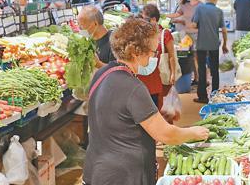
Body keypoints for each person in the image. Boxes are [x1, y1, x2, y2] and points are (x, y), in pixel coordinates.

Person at [82, 18, 209, 185]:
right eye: (152, 52)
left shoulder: (102, 73)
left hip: (95, 171)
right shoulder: (133, 88)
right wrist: (193, 133)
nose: (153, 58)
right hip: (123, 176)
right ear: (136, 52)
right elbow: (165, 134)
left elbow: (116, 121)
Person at [138, 4, 177, 120]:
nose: (143, 22)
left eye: (145, 19)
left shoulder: (165, 34)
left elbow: (171, 56)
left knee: (163, 110)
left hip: (161, 76)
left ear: (154, 19)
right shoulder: (143, 34)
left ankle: (166, 135)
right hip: (145, 79)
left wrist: (173, 73)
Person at [191, 0, 228, 104]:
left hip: (201, 44)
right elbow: (224, 30)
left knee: (202, 70)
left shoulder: (200, 8)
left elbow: (193, 25)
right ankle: (215, 96)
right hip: (214, 45)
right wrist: (225, 45)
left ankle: (202, 97)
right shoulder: (219, 11)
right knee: (214, 70)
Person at [166, 0, 201, 85]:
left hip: (196, 35)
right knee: (189, 57)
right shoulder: (185, 5)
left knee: (196, 57)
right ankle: (194, 77)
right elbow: (177, 14)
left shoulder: (200, 6)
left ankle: (199, 78)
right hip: (186, 36)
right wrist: (164, 15)